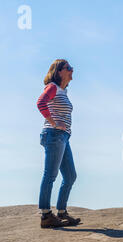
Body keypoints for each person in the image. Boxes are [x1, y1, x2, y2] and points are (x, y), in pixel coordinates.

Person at [37, 59, 81, 228]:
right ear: (59, 71)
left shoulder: (63, 91)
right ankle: (46, 215)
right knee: (50, 175)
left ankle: (61, 213)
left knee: (70, 176)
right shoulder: (52, 87)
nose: (72, 70)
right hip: (54, 134)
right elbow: (40, 103)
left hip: (63, 137)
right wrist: (54, 122)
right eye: (68, 68)